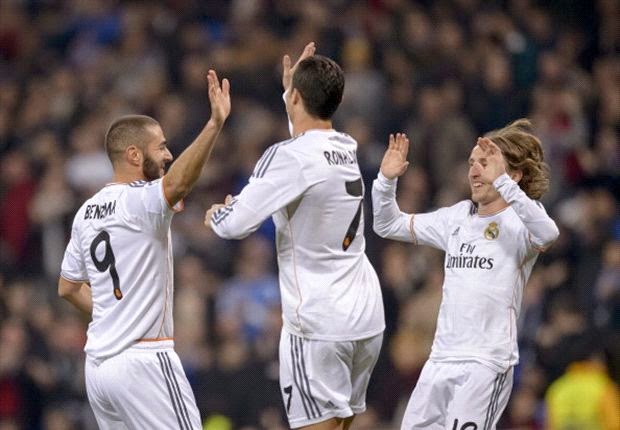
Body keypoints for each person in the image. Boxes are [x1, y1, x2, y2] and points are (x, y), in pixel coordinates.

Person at [204, 43, 385, 430]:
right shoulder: (346, 147)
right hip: (365, 318)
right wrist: (295, 95)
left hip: (319, 323)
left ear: (297, 97)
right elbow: (308, 152)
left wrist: (218, 214)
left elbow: (235, 225)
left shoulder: (287, 156)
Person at [58, 70, 231, 429]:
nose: (168, 154)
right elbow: (180, 182)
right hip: (144, 359)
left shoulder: (86, 211)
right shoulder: (140, 201)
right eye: (162, 146)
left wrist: (113, 316)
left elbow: (68, 287)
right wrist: (214, 124)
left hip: (99, 367)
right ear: (134, 155)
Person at [372, 120, 560, 430]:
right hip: (440, 359)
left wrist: (503, 183)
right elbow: (387, 224)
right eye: (472, 163)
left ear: (512, 175)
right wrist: (385, 181)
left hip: (486, 363)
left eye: (485, 163)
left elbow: (549, 233)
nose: (474, 171)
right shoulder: (456, 218)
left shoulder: (520, 223)